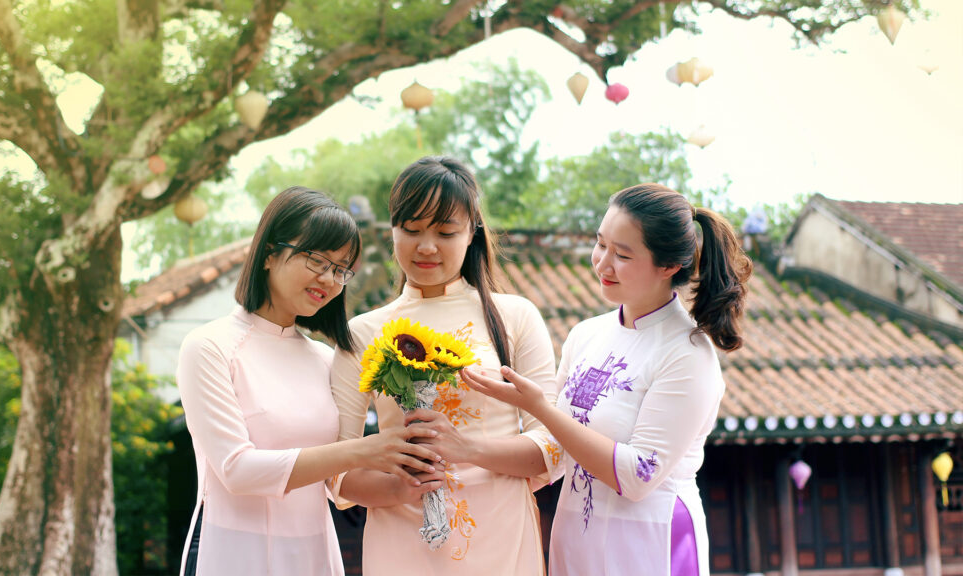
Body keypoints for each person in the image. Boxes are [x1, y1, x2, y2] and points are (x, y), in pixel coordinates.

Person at [463, 183, 752, 576]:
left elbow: (637, 477)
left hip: (649, 542)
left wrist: (540, 408)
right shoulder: (586, 335)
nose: (602, 263)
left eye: (623, 255)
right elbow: (555, 451)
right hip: (574, 536)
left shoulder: (687, 354)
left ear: (668, 266)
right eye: (601, 244)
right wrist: (469, 462)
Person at [176, 187, 442, 576]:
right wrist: (362, 451)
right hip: (232, 551)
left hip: (314, 554)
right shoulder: (209, 347)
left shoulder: (325, 359)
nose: (329, 279)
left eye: (340, 269)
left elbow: (336, 484)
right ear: (270, 253)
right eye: (317, 260)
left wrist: (406, 485)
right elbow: (237, 470)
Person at [329, 157, 560, 575]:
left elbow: (553, 448)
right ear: (392, 231)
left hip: (500, 538)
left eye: (446, 232)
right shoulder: (362, 333)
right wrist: (397, 487)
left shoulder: (515, 317)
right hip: (402, 543)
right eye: (411, 229)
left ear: (472, 233)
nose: (426, 246)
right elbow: (338, 472)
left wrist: (469, 449)